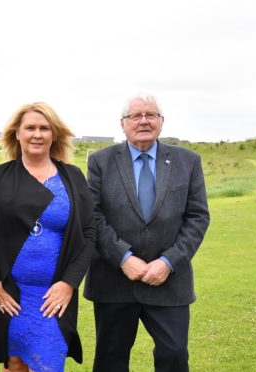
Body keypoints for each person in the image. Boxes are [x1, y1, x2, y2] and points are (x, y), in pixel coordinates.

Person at [84, 93, 210, 372]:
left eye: (150, 115)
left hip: (168, 282)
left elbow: (198, 217)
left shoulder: (188, 161)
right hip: (114, 281)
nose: (143, 121)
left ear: (161, 122)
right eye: (136, 116)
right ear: (123, 123)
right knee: (111, 358)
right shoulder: (100, 162)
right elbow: (92, 216)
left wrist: (168, 262)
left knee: (174, 354)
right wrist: (123, 257)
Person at [0, 102, 96, 372]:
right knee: (14, 364)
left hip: (52, 297)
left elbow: (89, 233)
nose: (37, 134)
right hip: (11, 295)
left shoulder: (72, 178)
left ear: (54, 134)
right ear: (17, 133)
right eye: (30, 128)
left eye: (44, 128)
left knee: (48, 363)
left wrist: (69, 283)